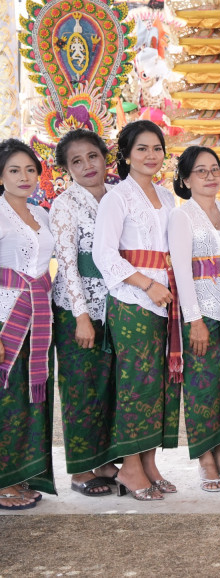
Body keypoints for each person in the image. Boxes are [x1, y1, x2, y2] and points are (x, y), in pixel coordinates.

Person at [94, 120, 180, 501]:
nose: (151, 155)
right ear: (126, 156)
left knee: (156, 383)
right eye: (142, 148)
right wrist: (147, 284)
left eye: (157, 148)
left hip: (165, 301)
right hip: (132, 301)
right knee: (134, 382)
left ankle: (148, 462)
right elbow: (104, 254)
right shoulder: (117, 198)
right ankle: (130, 466)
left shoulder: (167, 197)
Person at [168, 146, 220, 492]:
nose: (211, 176)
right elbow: (182, 271)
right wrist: (194, 319)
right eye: (201, 171)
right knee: (203, 386)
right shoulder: (182, 216)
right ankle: (206, 461)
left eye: (215, 169)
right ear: (186, 179)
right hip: (201, 310)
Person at [50, 130, 118, 497]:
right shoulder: (65, 205)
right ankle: (80, 470)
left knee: (108, 385)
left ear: (105, 157)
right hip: (78, 309)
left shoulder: (118, 196)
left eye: (92, 156)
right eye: (76, 161)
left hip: (116, 304)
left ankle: (104, 462)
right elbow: (68, 264)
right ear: (67, 169)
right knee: (81, 388)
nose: (87, 165)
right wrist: (81, 317)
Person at [0, 140, 55, 510]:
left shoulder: (41, 214)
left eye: (30, 170)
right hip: (6, 316)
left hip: (39, 317)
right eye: (14, 170)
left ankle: (20, 474)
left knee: (27, 400)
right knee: (6, 400)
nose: (24, 177)